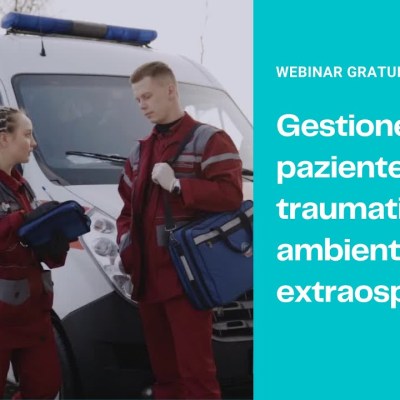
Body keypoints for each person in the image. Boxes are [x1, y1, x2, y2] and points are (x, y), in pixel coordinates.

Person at [117, 61, 243, 399]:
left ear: (171, 90)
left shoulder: (211, 140)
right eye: (137, 99)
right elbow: (127, 210)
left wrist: (178, 186)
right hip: (147, 280)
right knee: (165, 376)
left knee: (196, 375)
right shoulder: (139, 151)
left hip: (187, 278)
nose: (142, 105)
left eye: (147, 96)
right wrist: (127, 247)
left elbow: (231, 196)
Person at [0, 107, 70, 399]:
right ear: (4, 138)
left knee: (45, 387)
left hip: (31, 313)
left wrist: (55, 239)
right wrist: (21, 220)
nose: (34, 143)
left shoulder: (22, 187)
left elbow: (30, 243)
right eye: (27, 135)